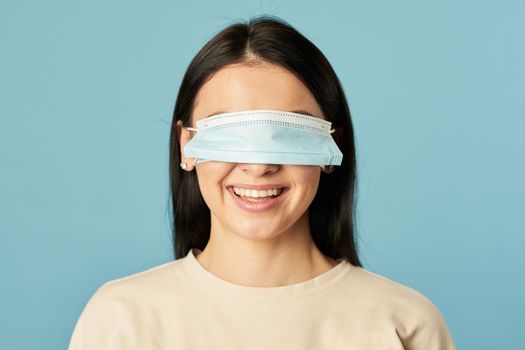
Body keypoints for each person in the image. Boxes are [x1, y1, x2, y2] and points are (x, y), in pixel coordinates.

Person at [68, 15, 456, 349]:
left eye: (288, 134)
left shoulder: (404, 325)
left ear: (330, 147)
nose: (258, 165)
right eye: (230, 133)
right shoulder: (118, 322)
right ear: (187, 145)